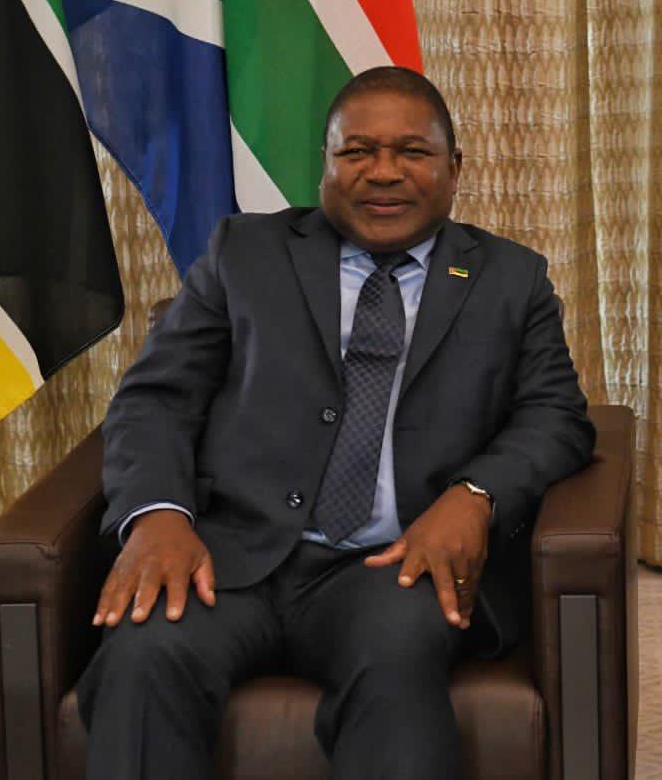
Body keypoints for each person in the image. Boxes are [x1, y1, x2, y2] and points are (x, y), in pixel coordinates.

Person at [77, 66, 596, 779]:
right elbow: (154, 398)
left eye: (412, 152)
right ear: (324, 166)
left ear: (454, 169)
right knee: (143, 653)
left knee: (396, 658)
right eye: (357, 152)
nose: (383, 172)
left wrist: (473, 496)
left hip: (393, 565)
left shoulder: (512, 280)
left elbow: (556, 416)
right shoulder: (243, 254)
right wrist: (158, 514)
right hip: (230, 557)